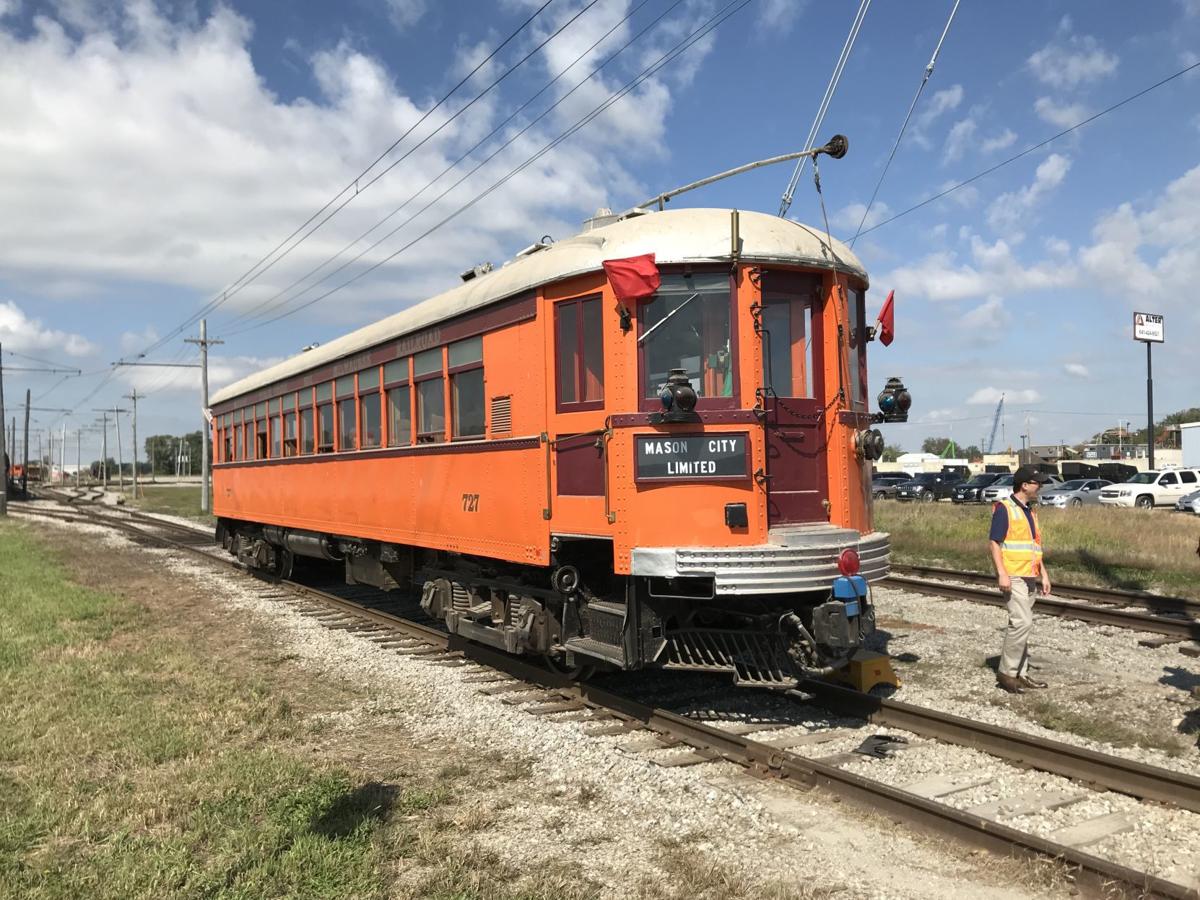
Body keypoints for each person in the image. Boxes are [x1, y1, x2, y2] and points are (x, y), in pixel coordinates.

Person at [989, 465, 1053, 694]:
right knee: (1022, 622)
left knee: (1022, 625)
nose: (1041, 487)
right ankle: (1007, 673)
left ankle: (1021, 673)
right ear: (1024, 485)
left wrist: (1043, 574)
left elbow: (1034, 546)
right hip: (1013, 575)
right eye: (1037, 483)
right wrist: (1002, 573)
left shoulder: (1029, 511)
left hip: (1029, 575)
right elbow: (994, 542)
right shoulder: (1004, 509)